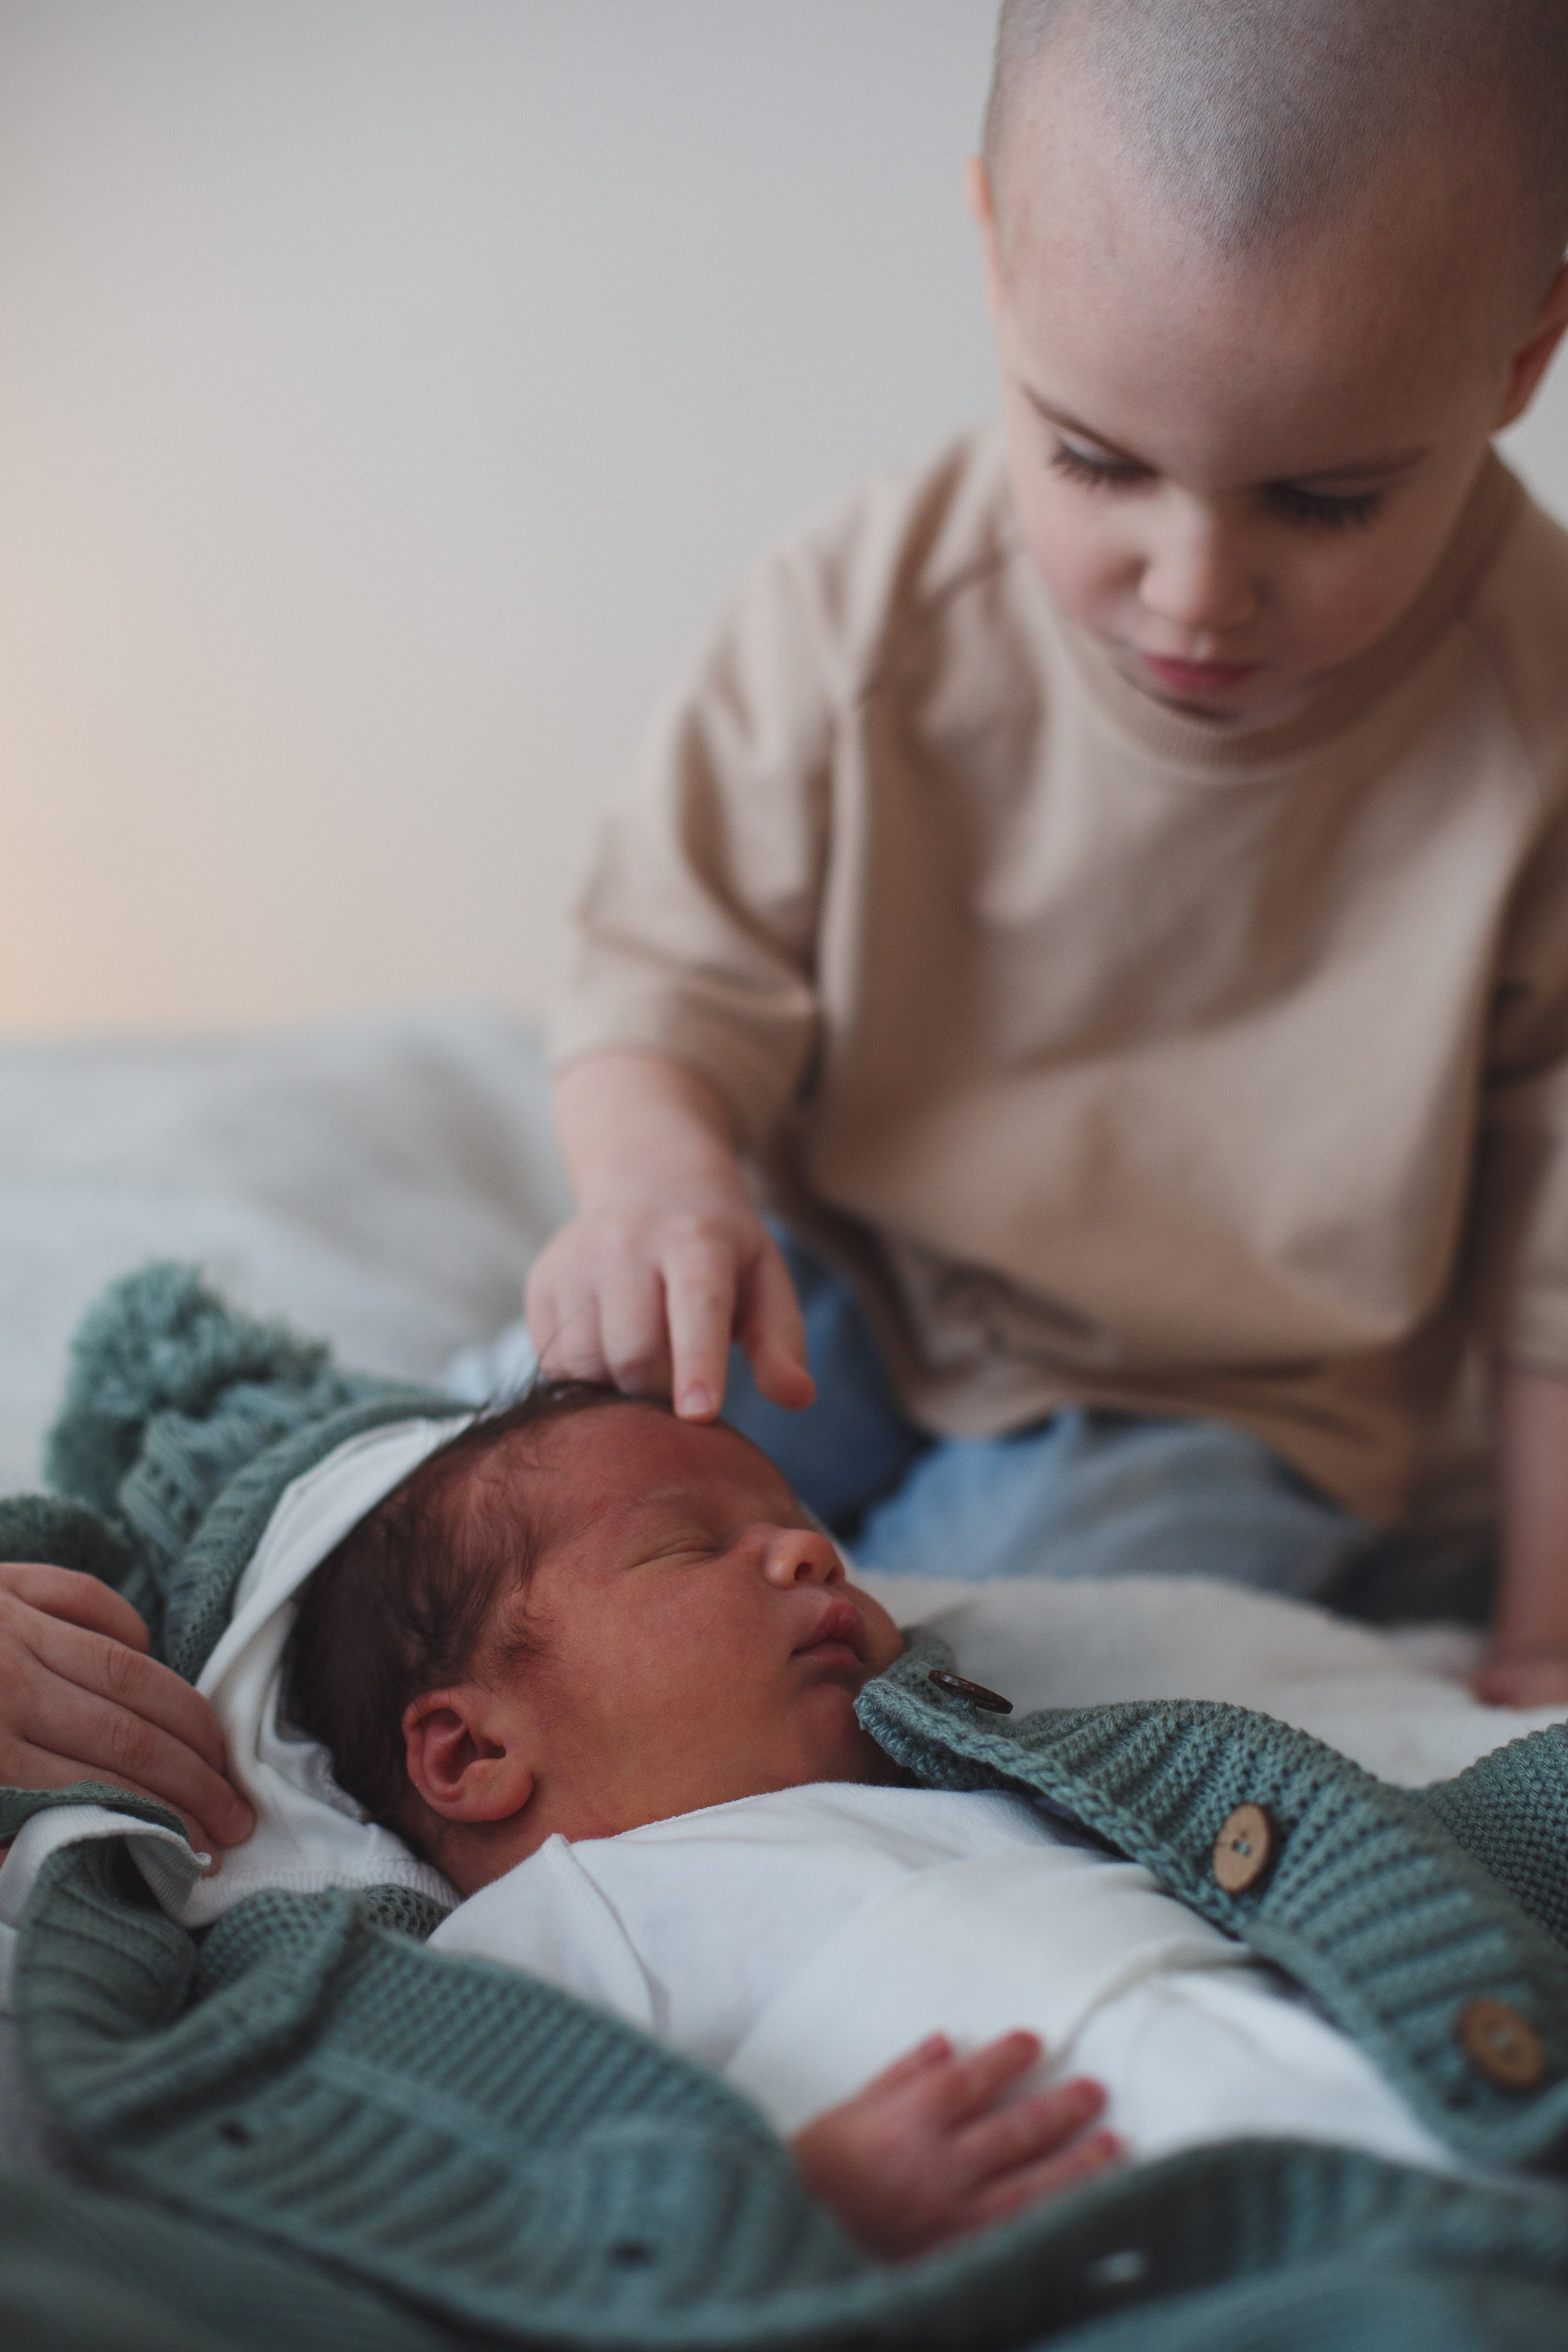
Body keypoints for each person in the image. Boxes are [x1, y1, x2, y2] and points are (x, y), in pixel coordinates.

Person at [526, 0, 1568, 1703]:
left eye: (1325, 501)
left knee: (970, 1663)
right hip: (838, 1292)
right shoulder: (867, 614)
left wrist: (1544, 1637)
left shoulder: (1537, 716)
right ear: (998, 259)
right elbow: (661, 973)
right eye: (1095, 461)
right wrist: (659, 1182)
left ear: (1523, 357)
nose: (1192, 588)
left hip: (1235, 1408)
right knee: (506, 1469)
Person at [280, 1384, 1497, 2262]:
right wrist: (796, 2203)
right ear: (475, 1749)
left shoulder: (999, 1792)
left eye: (807, 1530)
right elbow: (503, 2221)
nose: (809, 1551)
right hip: (1174, 2255)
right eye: (685, 1545)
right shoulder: (547, 1930)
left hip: (1428, 2111)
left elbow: (1363, 1848)